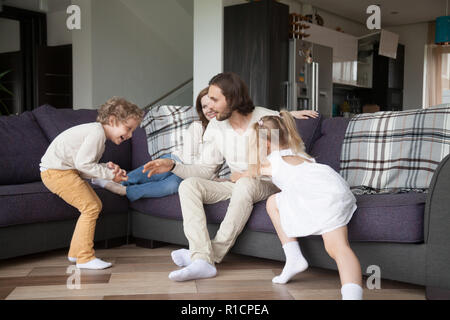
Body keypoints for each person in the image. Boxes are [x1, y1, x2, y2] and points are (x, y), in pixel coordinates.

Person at [142, 72, 318, 282]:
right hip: (241, 183)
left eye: (215, 100)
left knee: (244, 183)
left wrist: (247, 173)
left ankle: (205, 257)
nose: (210, 106)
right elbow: (206, 170)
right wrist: (173, 166)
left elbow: (282, 160)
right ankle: (201, 258)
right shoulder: (216, 126)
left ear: (232, 99)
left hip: (270, 182)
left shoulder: (262, 120)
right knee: (189, 186)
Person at [92, 89, 316, 201]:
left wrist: (290, 114)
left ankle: (125, 191)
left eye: (212, 105)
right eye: (204, 107)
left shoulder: (227, 127)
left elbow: (265, 117)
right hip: (181, 161)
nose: (209, 110)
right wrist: (191, 171)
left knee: (173, 186)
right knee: (158, 175)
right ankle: (114, 178)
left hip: (194, 172)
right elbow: (188, 160)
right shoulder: (197, 128)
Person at [242, 111, 363, 300]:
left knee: (272, 203)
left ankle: (294, 256)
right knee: (339, 248)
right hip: (334, 188)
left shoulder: (270, 163)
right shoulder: (300, 155)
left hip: (320, 197)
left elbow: (243, 175)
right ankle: (351, 295)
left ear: (264, 143)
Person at [40, 97, 144, 270]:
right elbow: (84, 165)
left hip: (62, 171)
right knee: (91, 207)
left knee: (93, 205)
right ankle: (85, 257)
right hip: (57, 173)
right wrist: (111, 175)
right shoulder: (96, 133)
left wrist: (107, 167)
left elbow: (83, 165)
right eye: (128, 128)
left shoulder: (97, 135)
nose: (130, 135)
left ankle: (76, 252)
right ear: (112, 120)